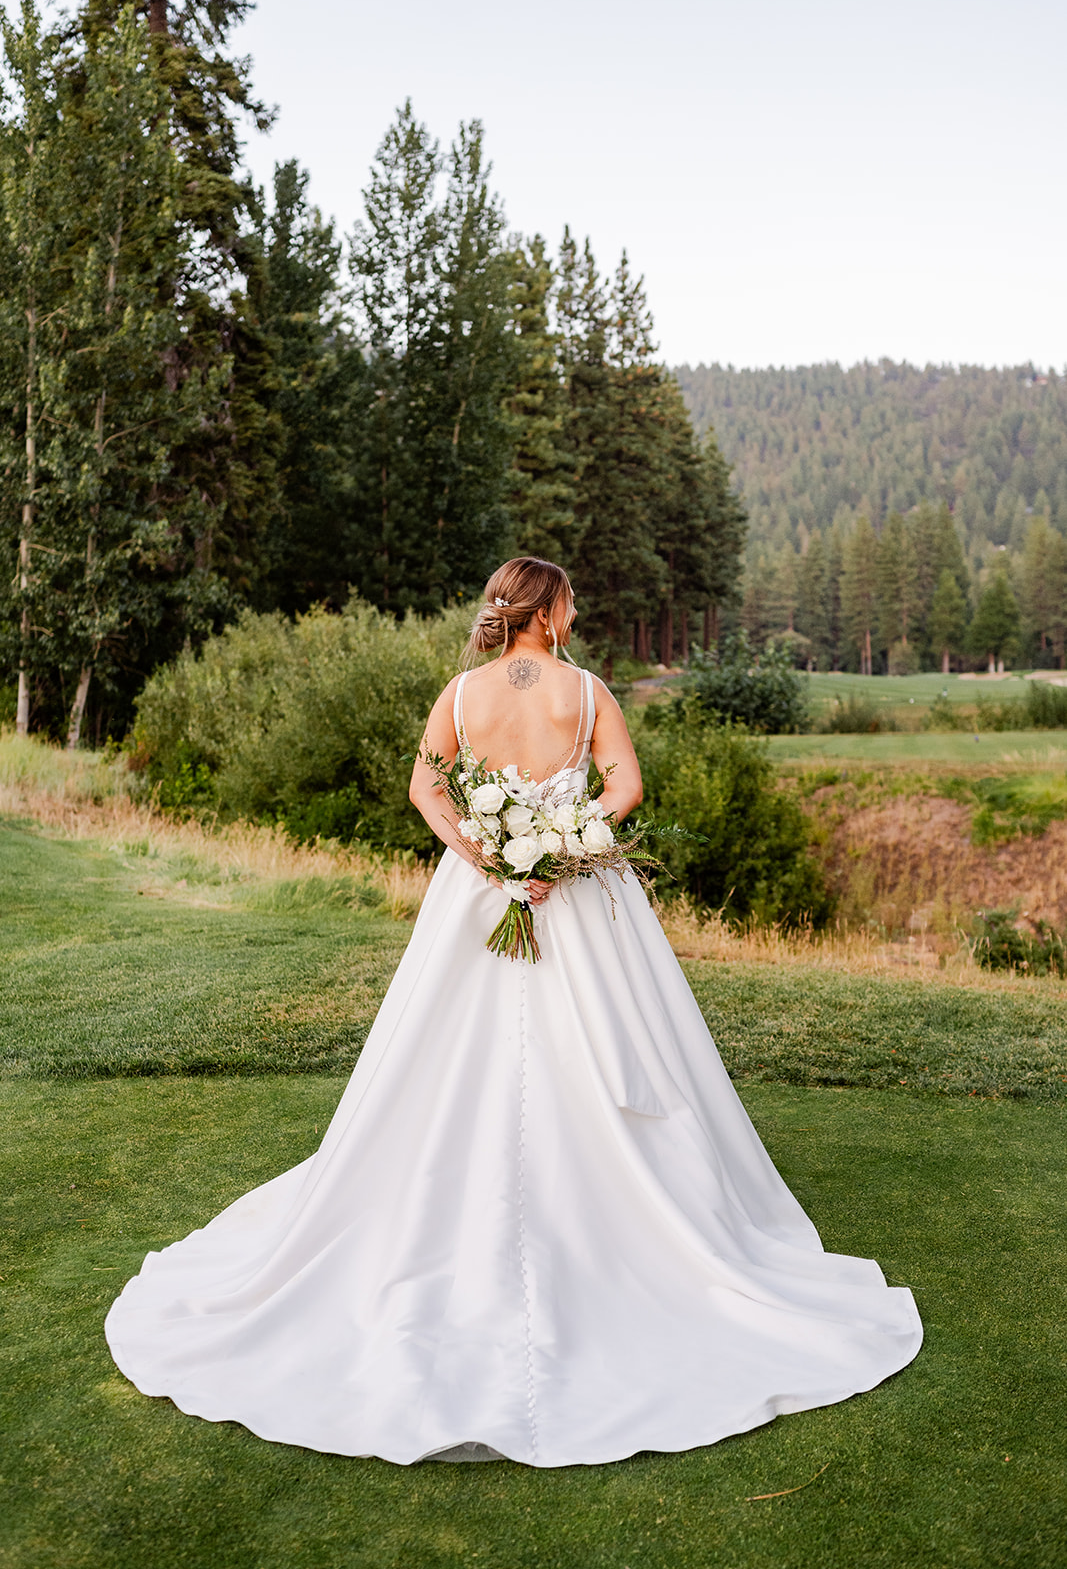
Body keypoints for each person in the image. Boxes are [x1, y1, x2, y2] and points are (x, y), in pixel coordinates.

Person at [106, 556, 922, 1467]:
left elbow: (424, 790)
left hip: (479, 891)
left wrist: (489, 859)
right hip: (577, 893)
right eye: (568, 601)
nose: (575, 612)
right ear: (547, 612)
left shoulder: (461, 694)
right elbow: (624, 788)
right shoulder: (586, 690)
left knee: (440, 1048)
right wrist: (566, 847)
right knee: (612, 1038)